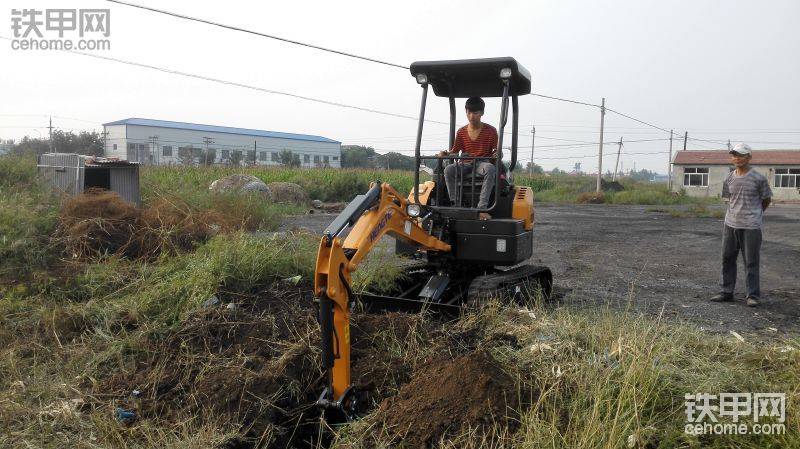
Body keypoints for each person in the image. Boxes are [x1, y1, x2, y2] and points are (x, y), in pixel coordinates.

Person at [710, 143, 772, 307]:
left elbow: (766, 200)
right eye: (734, 155)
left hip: (751, 226)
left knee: (751, 261)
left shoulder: (759, 178)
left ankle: (752, 296)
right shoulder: (729, 178)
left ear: (749, 157)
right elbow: (729, 200)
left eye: (740, 155)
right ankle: (726, 291)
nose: (736, 158)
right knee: (727, 258)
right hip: (730, 224)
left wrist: (755, 214)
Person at [438, 97, 498, 219]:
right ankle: (456, 205)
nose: (471, 116)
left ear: (482, 113)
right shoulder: (461, 132)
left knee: (490, 168)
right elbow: (454, 151)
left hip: (482, 163)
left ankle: (482, 208)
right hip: (465, 163)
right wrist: (445, 154)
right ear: (466, 112)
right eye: (469, 112)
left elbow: (495, 151)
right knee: (448, 169)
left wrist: (497, 154)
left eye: (475, 113)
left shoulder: (491, 131)